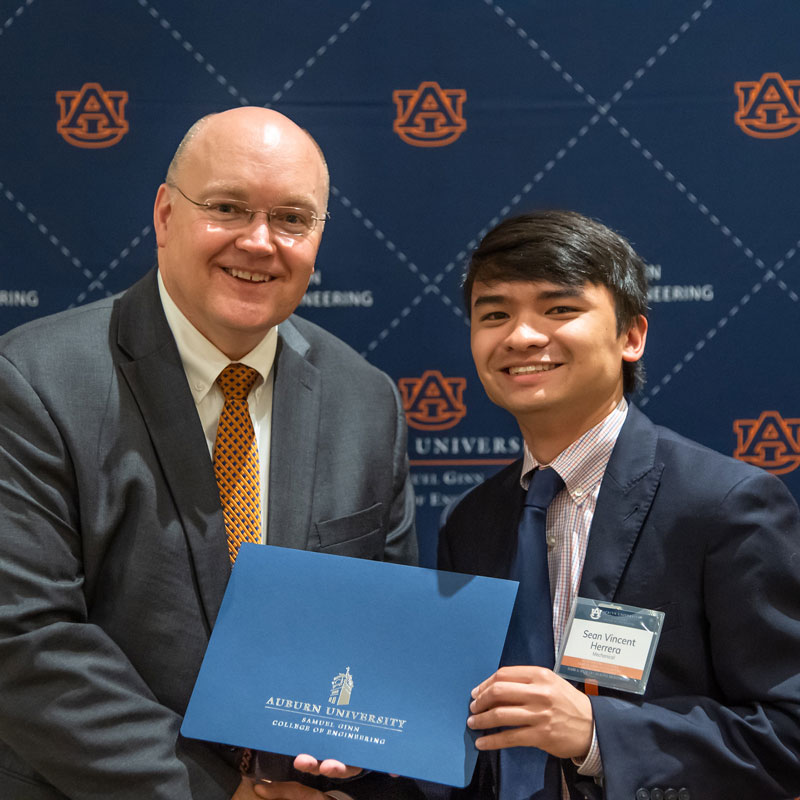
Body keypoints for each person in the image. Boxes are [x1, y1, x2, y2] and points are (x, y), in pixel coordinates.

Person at [0, 107, 422, 800]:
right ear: (165, 215)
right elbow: (25, 639)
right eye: (227, 208)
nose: (260, 242)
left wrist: (353, 741)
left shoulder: (365, 399)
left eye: (292, 219)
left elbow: (380, 620)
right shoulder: (32, 382)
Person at [436, 210, 800, 799]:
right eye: (495, 314)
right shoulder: (471, 521)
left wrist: (597, 737)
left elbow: (789, 734)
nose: (521, 336)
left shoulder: (726, 506)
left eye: (559, 310)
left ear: (631, 336)